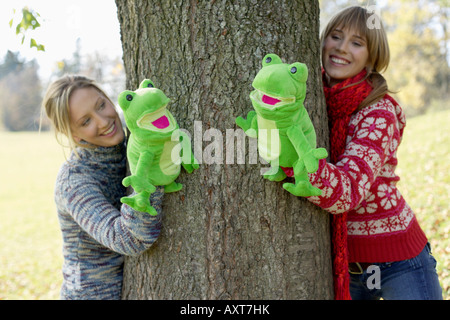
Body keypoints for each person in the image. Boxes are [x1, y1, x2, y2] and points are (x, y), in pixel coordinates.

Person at [304, 6, 442, 300]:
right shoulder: (314, 95)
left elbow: (349, 191)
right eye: (336, 36)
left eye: (357, 42)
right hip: (344, 265)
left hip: (398, 260)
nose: (341, 48)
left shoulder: (379, 112)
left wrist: (297, 163)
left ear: (372, 54)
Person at [42, 75, 163, 300]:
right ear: (73, 134)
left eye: (101, 105)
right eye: (85, 121)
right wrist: (152, 172)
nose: (104, 121)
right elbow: (128, 238)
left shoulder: (131, 141)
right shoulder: (74, 181)